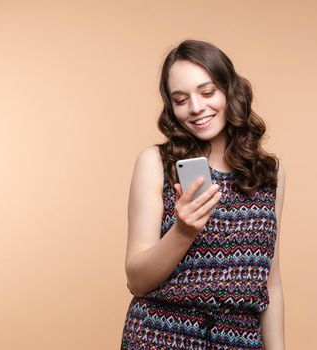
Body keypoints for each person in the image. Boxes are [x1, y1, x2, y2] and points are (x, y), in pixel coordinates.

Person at [120, 39, 286, 350]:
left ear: (229, 90)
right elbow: (137, 281)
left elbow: (270, 282)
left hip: (240, 339)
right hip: (160, 336)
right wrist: (183, 231)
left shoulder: (267, 173)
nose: (196, 108)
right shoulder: (156, 163)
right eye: (181, 99)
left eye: (207, 92)